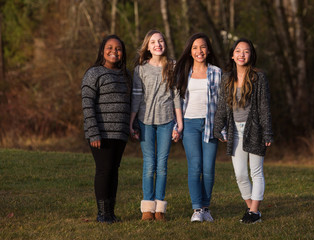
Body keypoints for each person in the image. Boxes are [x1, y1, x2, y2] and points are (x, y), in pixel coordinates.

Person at [214, 38, 273, 224]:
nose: (242, 54)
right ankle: (250, 208)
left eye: (246, 51)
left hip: (254, 129)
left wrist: (267, 132)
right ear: (232, 55)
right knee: (240, 174)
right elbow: (222, 106)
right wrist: (217, 127)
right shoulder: (226, 78)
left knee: (256, 171)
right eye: (238, 51)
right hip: (234, 131)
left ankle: (254, 212)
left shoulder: (258, 78)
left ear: (251, 55)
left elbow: (264, 107)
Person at [130, 30, 183, 221]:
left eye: (160, 41)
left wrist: (179, 123)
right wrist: (131, 121)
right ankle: (147, 208)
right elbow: (136, 96)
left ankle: (159, 208)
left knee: (162, 165)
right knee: (149, 164)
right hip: (145, 121)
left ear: (164, 44)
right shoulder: (140, 69)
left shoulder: (173, 66)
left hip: (167, 121)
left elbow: (177, 95)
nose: (157, 44)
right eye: (153, 42)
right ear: (148, 46)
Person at [81, 35, 132, 223]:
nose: (114, 51)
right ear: (102, 50)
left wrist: (131, 128)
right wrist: (93, 132)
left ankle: (110, 212)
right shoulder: (94, 73)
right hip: (100, 133)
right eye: (110, 47)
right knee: (104, 170)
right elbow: (87, 104)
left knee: (114, 170)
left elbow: (130, 102)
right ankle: (102, 214)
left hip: (120, 133)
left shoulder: (126, 74)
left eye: (118, 48)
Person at [174, 33, 223, 222]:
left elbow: (222, 104)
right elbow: (176, 102)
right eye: (195, 48)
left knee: (209, 168)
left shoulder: (217, 73)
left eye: (202, 47)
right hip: (190, 124)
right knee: (195, 167)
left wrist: (222, 128)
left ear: (208, 50)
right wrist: (176, 126)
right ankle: (196, 210)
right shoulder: (183, 72)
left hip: (210, 124)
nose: (199, 51)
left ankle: (206, 208)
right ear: (190, 51)